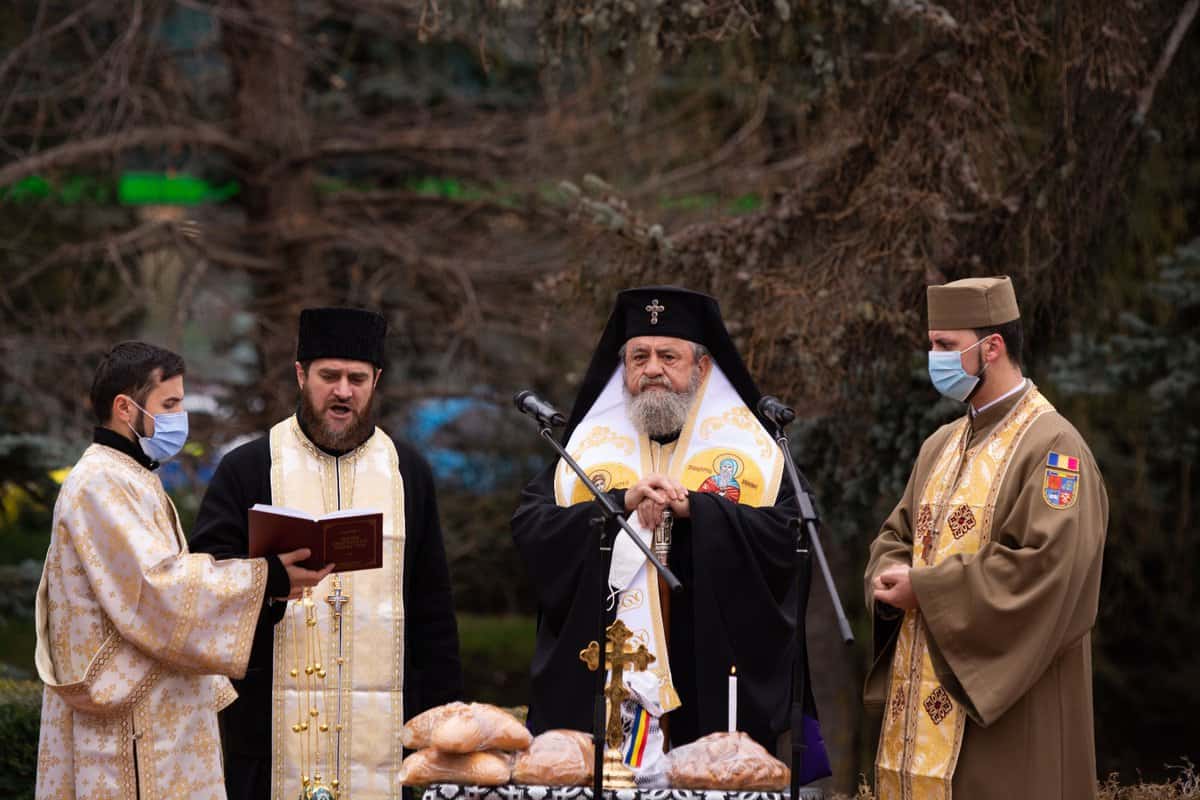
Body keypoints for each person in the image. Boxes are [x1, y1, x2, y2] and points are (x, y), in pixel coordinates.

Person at [511, 286, 831, 783]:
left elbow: (792, 536)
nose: (652, 369)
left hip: (707, 674)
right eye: (638, 356)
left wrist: (698, 512)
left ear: (702, 369)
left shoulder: (757, 450)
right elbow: (532, 528)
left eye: (668, 356)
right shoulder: (586, 447)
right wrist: (618, 506)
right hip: (603, 673)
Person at [33, 341, 329, 800]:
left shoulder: (132, 475)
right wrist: (266, 576)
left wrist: (267, 587)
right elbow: (155, 591)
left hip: (156, 708)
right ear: (124, 408)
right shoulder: (100, 482)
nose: (179, 417)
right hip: (126, 725)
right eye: (168, 404)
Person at [190, 307, 462, 800]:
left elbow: (432, 608)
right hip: (268, 729)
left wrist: (443, 724)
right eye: (328, 376)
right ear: (300, 375)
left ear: (376, 380)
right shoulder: (248, 468)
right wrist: (269, 582)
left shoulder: (409, 473)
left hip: (387, 737)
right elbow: (201, 588)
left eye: (357, 378)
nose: (343, 391)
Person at [864, 276, 1107, 800]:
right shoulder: (941, 444)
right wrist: (888, 577)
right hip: (921, 701)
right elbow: (895, 535)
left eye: (946, 346)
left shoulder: (1054, 446)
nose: (934, 359)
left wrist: (926, 590)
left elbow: (1047, 567)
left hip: (1009, 713)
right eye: (932, 345)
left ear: (991, 347)